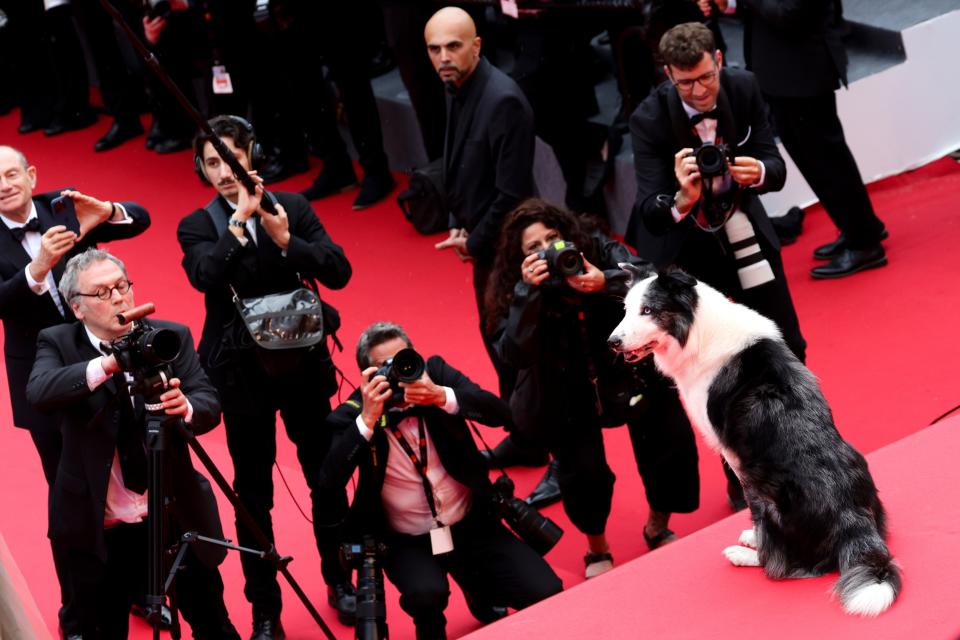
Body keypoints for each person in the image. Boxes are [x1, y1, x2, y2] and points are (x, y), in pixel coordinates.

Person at [177, 115, 354, 639]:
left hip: (303, 365)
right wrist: (238, 227)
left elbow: (338, 271)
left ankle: (339, 578)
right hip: (240, 376)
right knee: (253, 495)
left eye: (232, 159)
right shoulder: (198, 224)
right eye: (213, 164)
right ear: (202, 169)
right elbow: (204, 276)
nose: (224, 173)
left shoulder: (293, 208)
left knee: (325, 474)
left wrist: (285, 239)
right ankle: (265, 609)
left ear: (252, 155)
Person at [627, 22, 807, 509]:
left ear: (719, 60)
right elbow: (649, 209)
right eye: (685, 83)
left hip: (743, 230)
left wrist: (760, 171)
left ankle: (801, 449)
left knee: (785, 342)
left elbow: (774, 160)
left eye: (705, 77)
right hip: (689, 252)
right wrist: (681, 199)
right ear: (668, 75)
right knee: (714, 368)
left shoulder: (744, 87)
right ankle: (742, 480)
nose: (699, 90)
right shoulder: (647, 118)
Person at [25, 249, 239, 639]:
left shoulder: (170, 337)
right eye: (102, 293)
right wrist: (109, 365)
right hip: (101, 525)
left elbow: (208, 402)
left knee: (214, 624)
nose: (119, 298)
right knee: (102, 630)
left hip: (173, 514)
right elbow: (39, 392)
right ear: (78, 307)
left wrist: (186, 406)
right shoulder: (56, 342)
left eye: (122, 287)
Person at [486, 199, 701, 577]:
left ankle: (657, 525)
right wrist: (527, 293)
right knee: (582, 473)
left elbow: (652, 278)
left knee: (668, 444)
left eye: (552, 238)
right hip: (565, 389)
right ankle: (597, 549)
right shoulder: (516, 287)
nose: (548, 250)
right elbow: (512, 353)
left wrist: (606, 280)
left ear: (566, 234)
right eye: (533, 247)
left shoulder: (597, 247)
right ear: (519, 259)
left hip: (629, 371)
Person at [320, 322, 563, 640]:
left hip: (471, 522)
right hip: (407, 538)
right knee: (426, 594)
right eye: (385, 367)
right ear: (367, 378)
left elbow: (503, 414)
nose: (397, 372)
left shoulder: (435, 374)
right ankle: (431, 625)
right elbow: (329, 481)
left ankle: (481, 592)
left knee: (547, 590)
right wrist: (367, 420)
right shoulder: (353, 412)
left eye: (403, 359)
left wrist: (441, 396)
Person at [0, 145, 151, 637]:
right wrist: (36, 267)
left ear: (30, 174)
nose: (4, 185)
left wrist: (106, 212)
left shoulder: (61, 207)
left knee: (132, 480)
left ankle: (139, 589)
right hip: (45, 384)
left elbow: (140, 221)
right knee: (74, 505)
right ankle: (79, 612)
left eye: (11, 174)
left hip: (112, 366)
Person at [424, 6, 548, 473]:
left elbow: (513, 194)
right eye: (434, 49)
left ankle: (535, 440)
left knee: (516, 349)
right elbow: (465, 167)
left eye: (453, 46)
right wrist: (462, 223)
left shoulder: (502, 100)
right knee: (499, 344)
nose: (443, 57)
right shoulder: (457, 87)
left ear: (477, 45)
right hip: (486, 242)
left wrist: (474, 241)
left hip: (510, 250)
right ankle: (524, 435)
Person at [699, 0, 888, 278]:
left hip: (804, 73)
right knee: (815, 158)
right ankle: (860, 228)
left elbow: (792, 14)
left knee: (828, 160)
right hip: (784, 74)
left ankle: (865, 244)